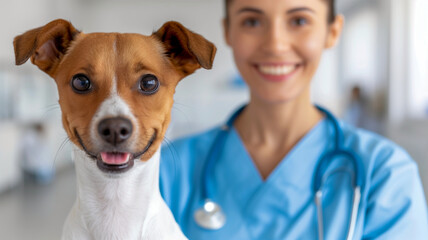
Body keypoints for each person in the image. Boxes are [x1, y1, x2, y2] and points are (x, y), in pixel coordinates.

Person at [159, 0, 428, 239]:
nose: (275, 45)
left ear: (332, 31)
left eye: (299, 20)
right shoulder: (167, 170)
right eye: (252, 21)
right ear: (229, 31)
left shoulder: (385, 174)